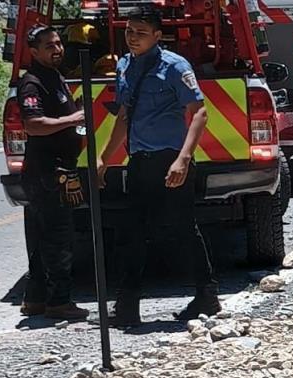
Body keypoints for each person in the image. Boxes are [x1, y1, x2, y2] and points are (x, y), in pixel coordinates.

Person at [97, 6, 218, 326]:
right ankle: (127, 307)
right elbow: (124, 116)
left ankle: (207, 296)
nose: (132, 38)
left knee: (181, 230)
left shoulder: (175, 66)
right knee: (131, 232)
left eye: (140, 32)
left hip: (170, 160)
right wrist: (104, 157)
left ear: (156, 35)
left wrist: (183, 158)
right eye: (128, 31)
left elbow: (199, 112)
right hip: (139, 161)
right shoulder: (124, 66)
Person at [17, 25, 89, 321]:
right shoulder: (32, 83)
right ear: (34, 52)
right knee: (58, 237)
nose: (57, 49)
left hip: (55, 169)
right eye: (49, 46)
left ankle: (35, 299)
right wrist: (73, 118)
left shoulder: (55, 77)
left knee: (40, 236)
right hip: (46, 172)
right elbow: (33, 124)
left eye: (59, 43)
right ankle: (59, 302)